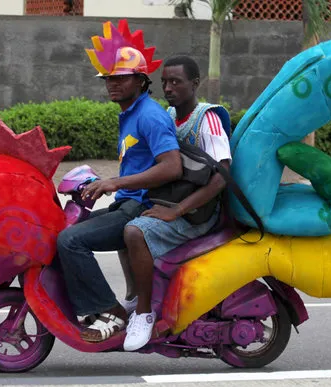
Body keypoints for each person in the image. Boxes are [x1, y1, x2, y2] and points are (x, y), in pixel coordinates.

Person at [56, 25, 182, 344]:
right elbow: (139, 162)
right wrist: (101, 183)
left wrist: (115, 182)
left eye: (120, 78)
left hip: (140, 207)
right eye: (109, 79)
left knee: (71, 241)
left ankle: (112, 312)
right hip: (125, 202)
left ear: (140, 81)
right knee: (58, 232)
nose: (112, 84)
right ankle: (97, 306)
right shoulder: (128, 113)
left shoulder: (150, 116)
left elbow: (172, 166)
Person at [122, 55, 233, 351]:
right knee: (120, 219)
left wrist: (178, 210)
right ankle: (135, 296)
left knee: (135, 231)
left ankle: (144, 314)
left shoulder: (206, 119)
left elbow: (222, 176)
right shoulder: (169, 115)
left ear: (195, 84)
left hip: (198, 213)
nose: (169, 88)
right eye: (164, 83)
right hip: (175, 204)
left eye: (176, 82)